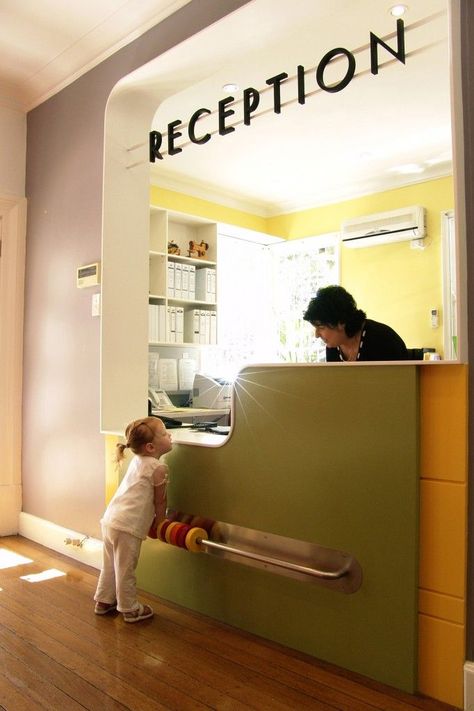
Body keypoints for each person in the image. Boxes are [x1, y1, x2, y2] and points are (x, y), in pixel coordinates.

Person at [94, 416, 172, 622]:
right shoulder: (158, 469)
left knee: (110, 564)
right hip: (128, 526)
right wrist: (161, 524)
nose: (170, 435)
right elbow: (160, 502)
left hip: (111, 519)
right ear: (150, 447)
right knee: (126, 568)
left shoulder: (137, 461)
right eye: (165, 434)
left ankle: (104, 601)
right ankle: (129, 609)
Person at [303, 285, 407, 362]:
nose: (316, 335)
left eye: (321, 327)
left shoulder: (383, 340)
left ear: (341, 322)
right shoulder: (333, 347)